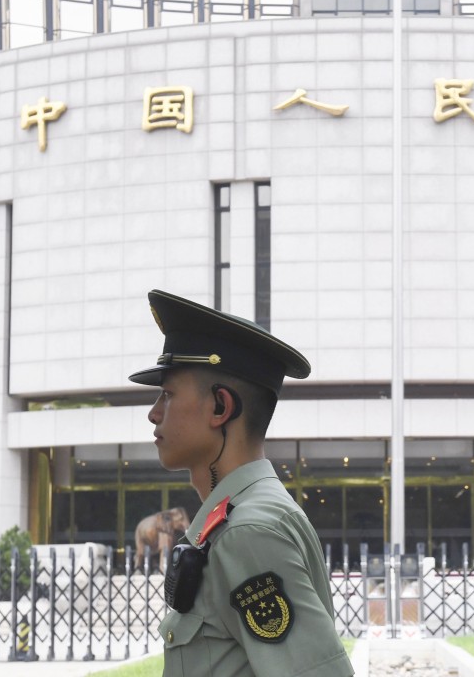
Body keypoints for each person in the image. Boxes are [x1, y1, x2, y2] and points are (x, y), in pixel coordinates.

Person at [129, 290, 354, 677]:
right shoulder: (243, 517)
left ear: (220, 407)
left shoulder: (247, 530)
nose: (154, 414)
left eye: (167, 395)